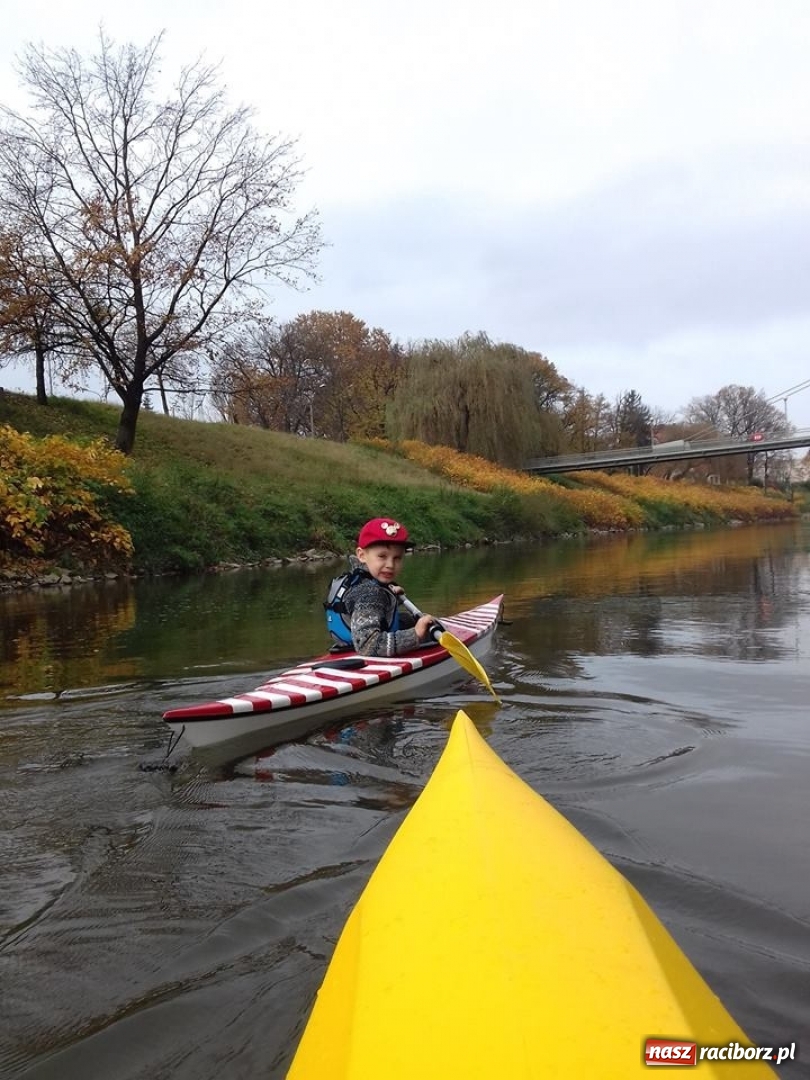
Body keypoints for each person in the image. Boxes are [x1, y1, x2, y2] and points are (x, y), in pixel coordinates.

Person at [324, 518, 437, 656]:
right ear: (362, 555)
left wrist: (391, 595)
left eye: (397, 558)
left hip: (348, 642)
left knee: (409, 619)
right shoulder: (369, 593)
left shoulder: (361, 580)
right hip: (364, 648)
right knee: (421, 628)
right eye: (382, 556)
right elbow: (368, 645)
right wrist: (415, 634)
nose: (390, 564)